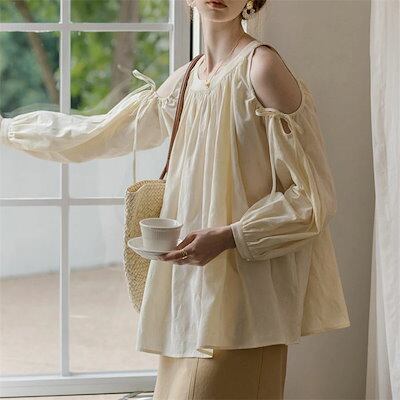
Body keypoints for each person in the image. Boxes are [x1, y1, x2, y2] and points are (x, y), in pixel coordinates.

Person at [0, 0, 351, 398]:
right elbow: (102, 134)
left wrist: (229, 236)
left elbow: (313, 198)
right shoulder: (185, 81)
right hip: (188, 302)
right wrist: (9, 131)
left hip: (246, 306)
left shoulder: (261, 69)